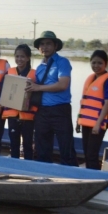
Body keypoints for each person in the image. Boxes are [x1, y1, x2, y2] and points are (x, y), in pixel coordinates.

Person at [26, 31, 76, 165]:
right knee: (42, 150)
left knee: (66, 149)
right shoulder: (39, 67)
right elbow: (34, 88)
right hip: (43, 112)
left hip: (60, 111)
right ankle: (44, 180)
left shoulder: (62, 62)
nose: (45, 47)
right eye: (42, 44)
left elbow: (63, 84)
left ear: (55, 46)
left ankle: (71, 180)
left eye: (48, 44)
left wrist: (38, 87)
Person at [75, 50, 108, 170]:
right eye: (93, 63)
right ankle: (89, 175)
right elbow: (84, 102)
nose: (96, 66)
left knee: (92, 154)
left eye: (100, 63)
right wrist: (78, 121)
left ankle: (94, 176)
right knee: (86, 153)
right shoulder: (91, 78)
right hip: (86, 122)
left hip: (98, 124)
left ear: (106, 64)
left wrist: (98, 123)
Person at [3, 44, 36, 160]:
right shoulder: (10, 72)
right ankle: (14, 167)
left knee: (27, 144)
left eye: (22, 57)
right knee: (14, 144)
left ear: (28, 58)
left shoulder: (34, 74)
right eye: (17, 56)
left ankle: (28, 169)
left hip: (27, 117)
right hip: (12, 116)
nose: (19, 59)